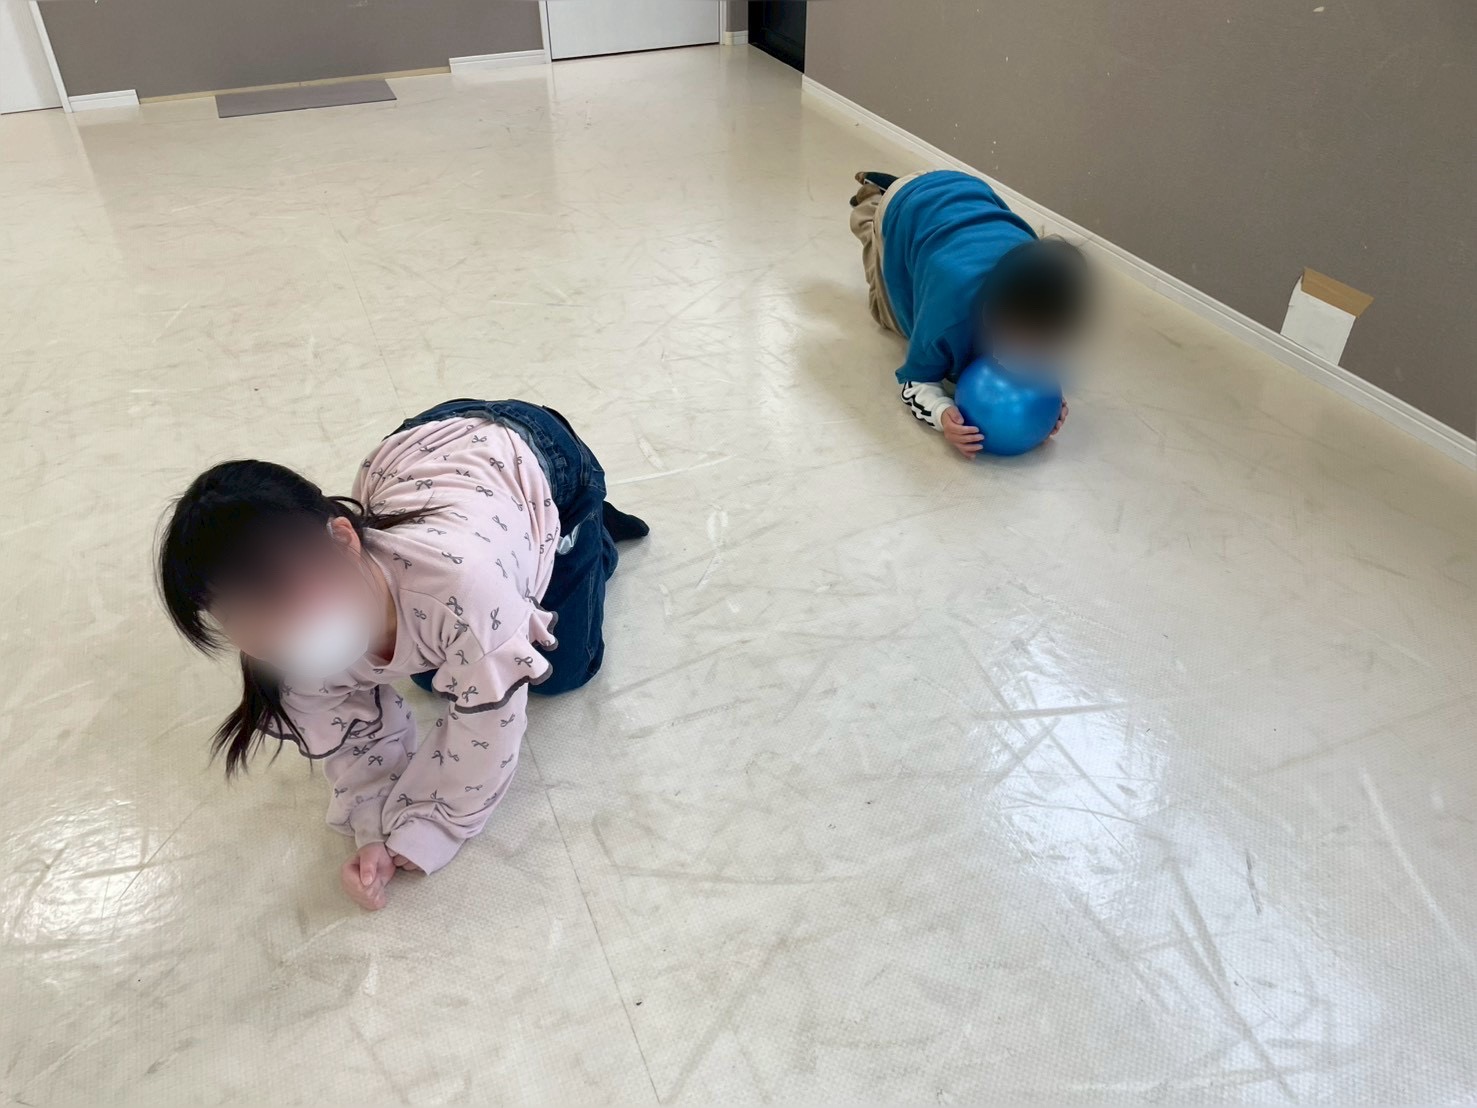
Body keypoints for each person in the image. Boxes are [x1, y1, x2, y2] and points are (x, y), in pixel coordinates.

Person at [157, 399, 647, 910]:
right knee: (441, 667)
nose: (272, 630)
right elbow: (353, 735)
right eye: (235, 614)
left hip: (535, 454)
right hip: (418, 460)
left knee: (561, 670)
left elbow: (487, 736)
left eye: (279, 593)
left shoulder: (464, 593)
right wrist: (373, 829)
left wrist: (433, 827)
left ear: (343, 540)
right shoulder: (283, 650)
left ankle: (583, 531)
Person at [849, 169, 1091, 457]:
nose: (1028, 352)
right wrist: (941, 414)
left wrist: (1048, 404)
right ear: (992, 313)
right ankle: (874, 198)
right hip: (906, 206)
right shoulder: (949, 315)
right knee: (887, 314)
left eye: (1039, 343)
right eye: (1022, 338)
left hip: (968, 193)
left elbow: (1040, 361)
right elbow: (914, 381)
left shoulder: (1042, 296)